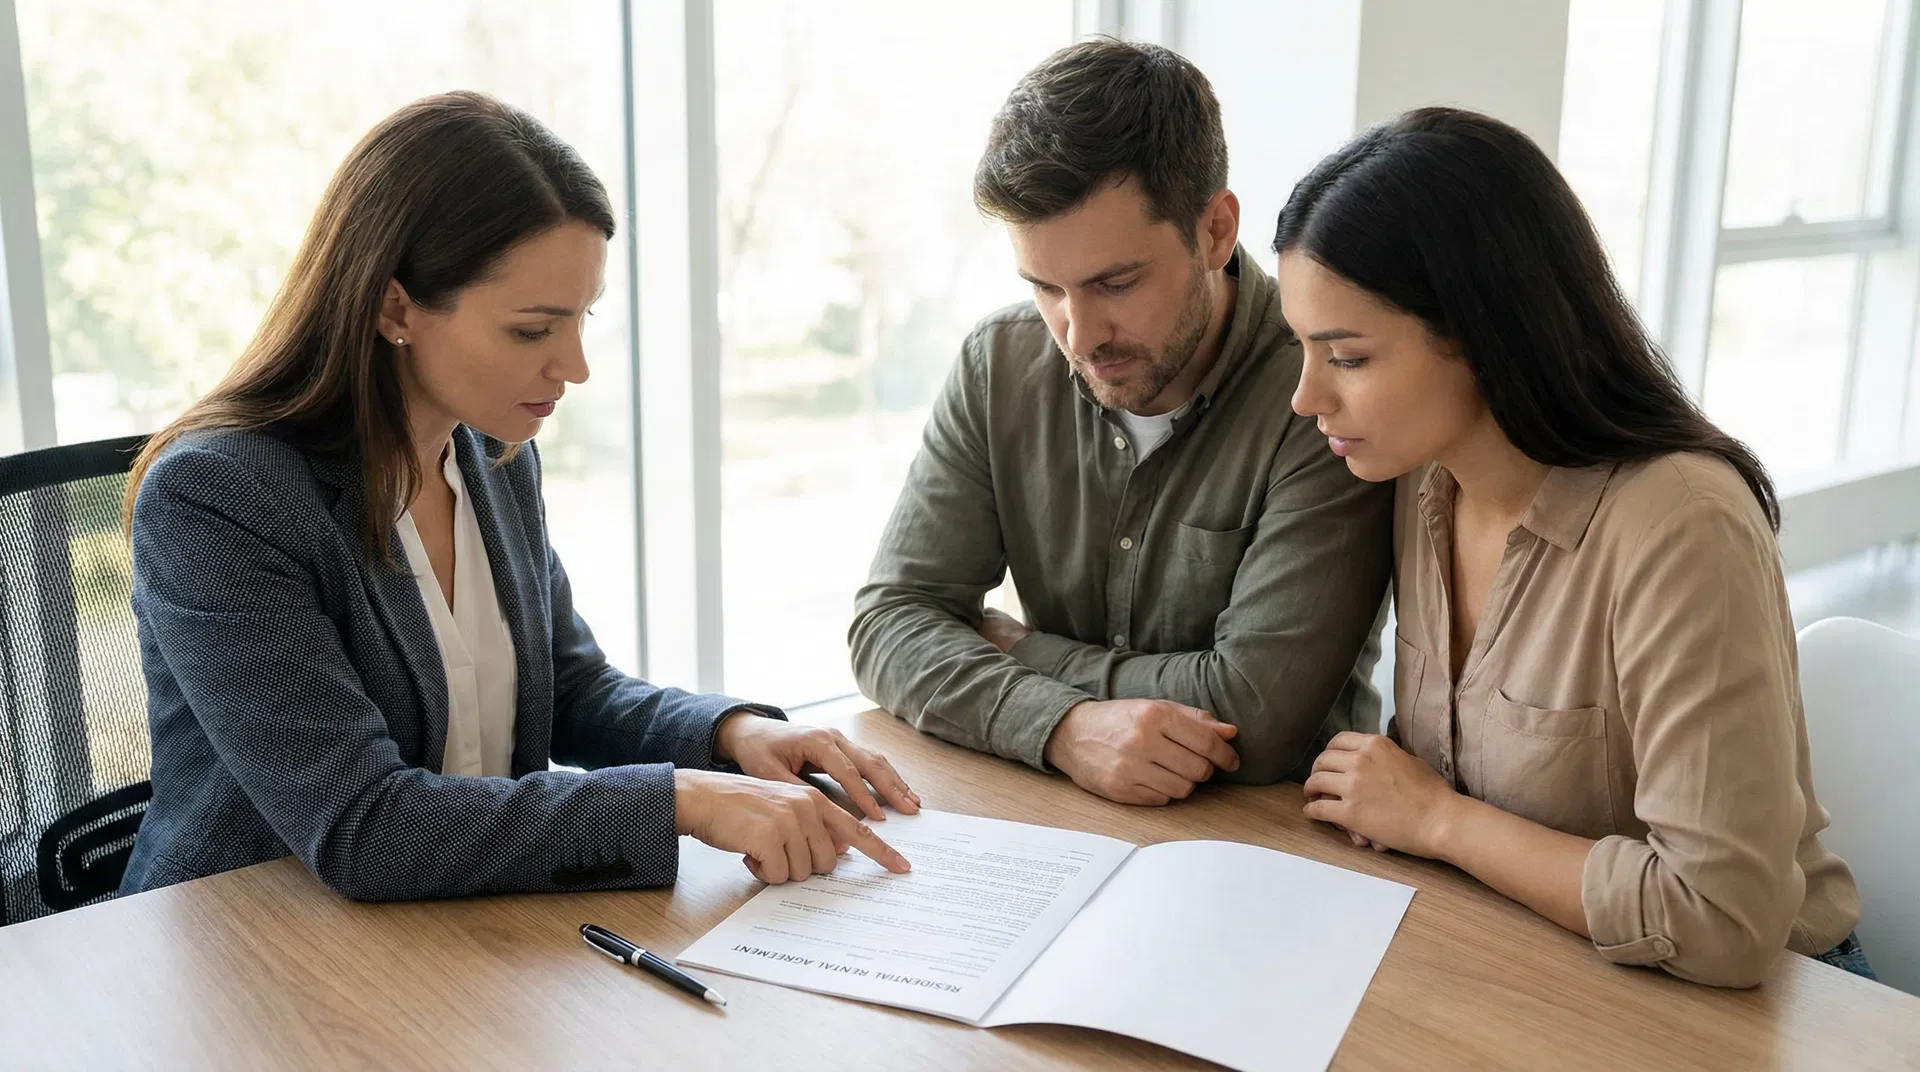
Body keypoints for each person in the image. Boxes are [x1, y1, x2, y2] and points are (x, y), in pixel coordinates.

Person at [119, 92, 917, 901]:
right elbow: (364, 827)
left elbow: (566, 689)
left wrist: (730, 735)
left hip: (461, 921)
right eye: (533, 330)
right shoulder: (219, 500)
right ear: (395, 307)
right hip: (255, 932)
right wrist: (682, 800)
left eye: (581, 319)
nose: (575, 366)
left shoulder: (491, 454)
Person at [1277, 107, 1869, 987]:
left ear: (1484, 334)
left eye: (1348, 358)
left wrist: (1437, 821)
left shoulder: (1683, 524)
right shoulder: (1419, 476)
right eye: (1302, 348)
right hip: (1531, 955)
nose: (1305, 397)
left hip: (1779, 1007)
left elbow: (1723, 921)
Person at [849, 38, 1393, 806]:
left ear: (1215, 229)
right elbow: (890, 622)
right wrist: (1063, 727)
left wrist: (1018, 647)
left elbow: (1255, 715)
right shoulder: (1000, 362)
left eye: (1115, 283)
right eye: (1046, 288)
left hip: (1267, 837)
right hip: (1058, 813)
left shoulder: (1323, 394)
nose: (1079, 335)